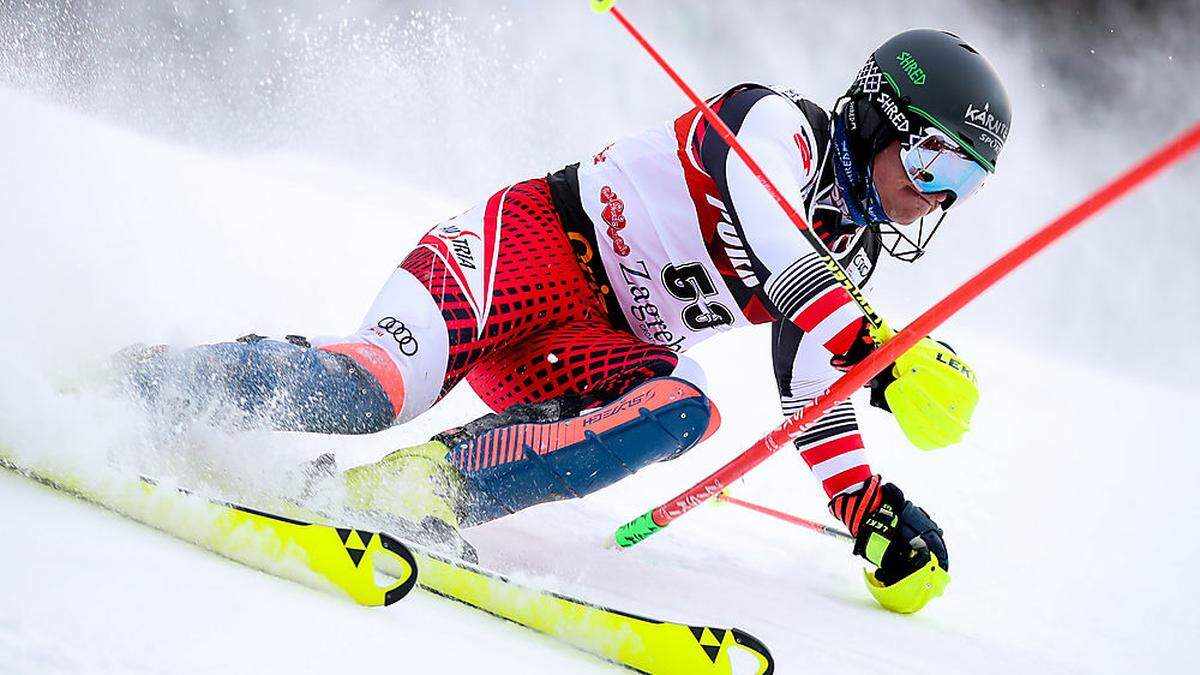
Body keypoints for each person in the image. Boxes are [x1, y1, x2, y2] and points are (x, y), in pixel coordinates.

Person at [121, 29, 1010, 608]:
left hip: (590, 350)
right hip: (526, 254)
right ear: (874, 117)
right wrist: (887, 353)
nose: (927, 197)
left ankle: (420, 488)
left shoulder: (844, 257)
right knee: (367, 389)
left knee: (686, 405)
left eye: (960, 184)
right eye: (931, 158)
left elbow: (820, 389)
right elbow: (781, 253)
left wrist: (870, 512)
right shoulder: (774, 128)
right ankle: (143, 382)